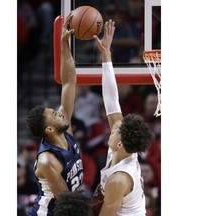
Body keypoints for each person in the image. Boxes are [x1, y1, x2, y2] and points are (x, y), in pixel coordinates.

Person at [93, 19, 153, 215]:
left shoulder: (119, 179)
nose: (112, 126)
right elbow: (111, 99)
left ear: (119, 144)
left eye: (115, 131)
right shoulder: (123, 147)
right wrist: (106, 55)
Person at [25, 13, 84, 216]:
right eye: (54, 114)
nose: (59, 113)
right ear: (49, 129)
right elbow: (68, 202)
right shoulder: (47, 161)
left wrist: (64, 45)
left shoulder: (63, 127)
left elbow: (69, 82)